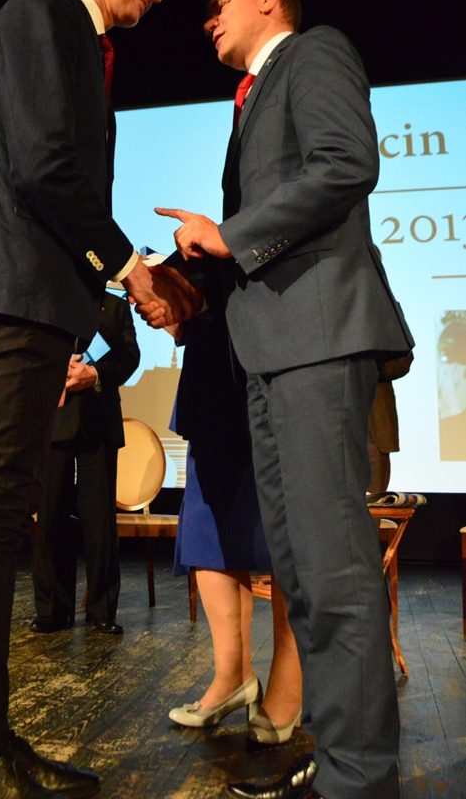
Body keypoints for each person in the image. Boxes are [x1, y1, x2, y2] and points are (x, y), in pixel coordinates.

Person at [0, 0, 197, 799]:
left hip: (33, 300)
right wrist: (131, 270)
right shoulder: (41, 10)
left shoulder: (80, 40)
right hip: (10, 291)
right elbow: (43, 167)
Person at [142, 0, 415, 799]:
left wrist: (227, 235)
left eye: (216, 3)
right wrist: (186, 285)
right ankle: (338, 760)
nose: (205, 21)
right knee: (300, 571)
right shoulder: (251, 100)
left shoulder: (314, 51)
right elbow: (259, 243)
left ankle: (359, 778)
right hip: (266, 354)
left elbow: (345, 164)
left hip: (317, 342)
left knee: (331, 571)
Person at [167, 314, 302, 742]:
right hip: (213, 356)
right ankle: (232, 676)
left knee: (292, 528)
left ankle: (290, 681)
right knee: (209, 522)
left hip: (281, 341)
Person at [31, 291, 139, 636]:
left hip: (99, 422)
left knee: (100, 523)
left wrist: (95, 374)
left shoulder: (115, 306)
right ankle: (52, 610)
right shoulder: (48, 298)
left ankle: (102, 610)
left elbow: (130, 356)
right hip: (54, 420)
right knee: (50, 518)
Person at [367, 353, 414, 494]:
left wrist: (364, 367)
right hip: (329, 422)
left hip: (373, 428)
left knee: (374, 500)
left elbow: (402, 361)